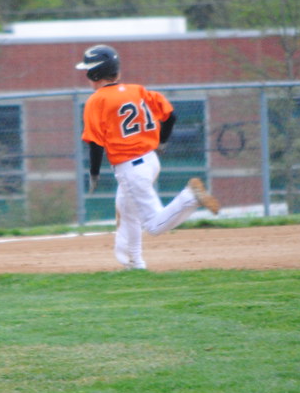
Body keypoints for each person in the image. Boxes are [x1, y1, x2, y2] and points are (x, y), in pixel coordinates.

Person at [75, 44, 219, 270]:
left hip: (130, 168)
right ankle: (134, 263)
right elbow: (171, 115)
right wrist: (162, 141)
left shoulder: (97, 100)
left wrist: (93, 173)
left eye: (87, 72)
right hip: (150, 160)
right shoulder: (138, 90)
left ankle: (190, 197)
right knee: (125, 208)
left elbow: (95, 142)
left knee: (152, 225)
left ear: (95, 74)